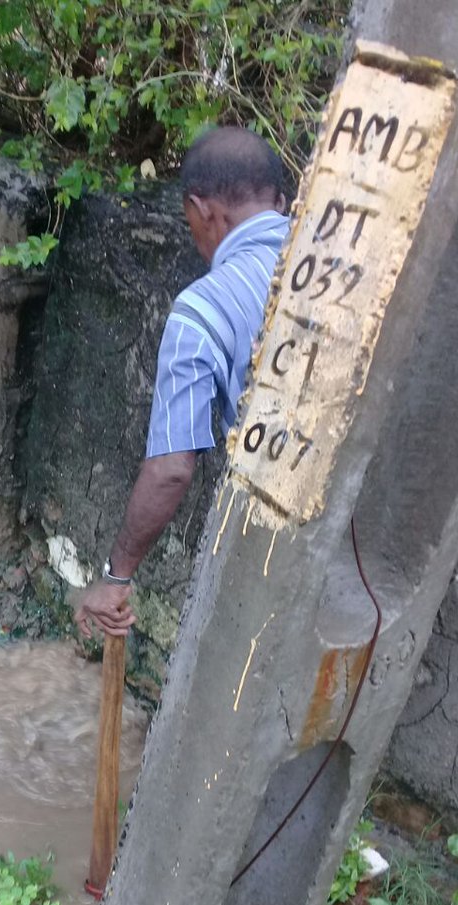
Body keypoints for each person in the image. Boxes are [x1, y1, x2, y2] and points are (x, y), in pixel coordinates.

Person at [74, 126, 289, 638]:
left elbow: (171, 469)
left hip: (274, 547)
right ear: (280, 201)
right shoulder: (338, 264)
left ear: (200, 210)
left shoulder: (202, 310)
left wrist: (115, 578)